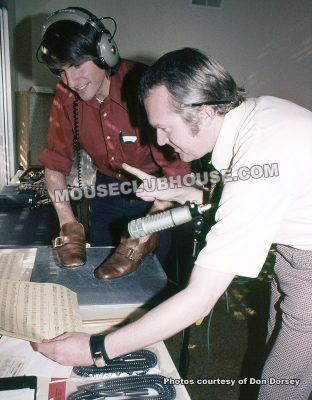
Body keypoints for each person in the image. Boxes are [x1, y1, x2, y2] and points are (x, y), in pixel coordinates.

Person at [36, 48, 312, 399]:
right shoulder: (255, 117)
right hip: (294, 252)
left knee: (283, 383)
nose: (160, 141)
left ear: (206, 111)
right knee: (277, 344)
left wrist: (97, 349)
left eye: (165, 128)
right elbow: (251, 197)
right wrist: (180, 189)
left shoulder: (265, 151)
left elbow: (200, 298)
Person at [36, 7, 190, 277]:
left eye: (76, 64)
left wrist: (148, 227)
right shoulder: (65, 93)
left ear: (104, 53)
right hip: (106, 187)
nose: (71, 81)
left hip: (156, 189)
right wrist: (68, 223)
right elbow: (55, 161)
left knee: (152, 273)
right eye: (61, 71)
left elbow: (177, 175)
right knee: (103, 269)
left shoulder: (145, 86)